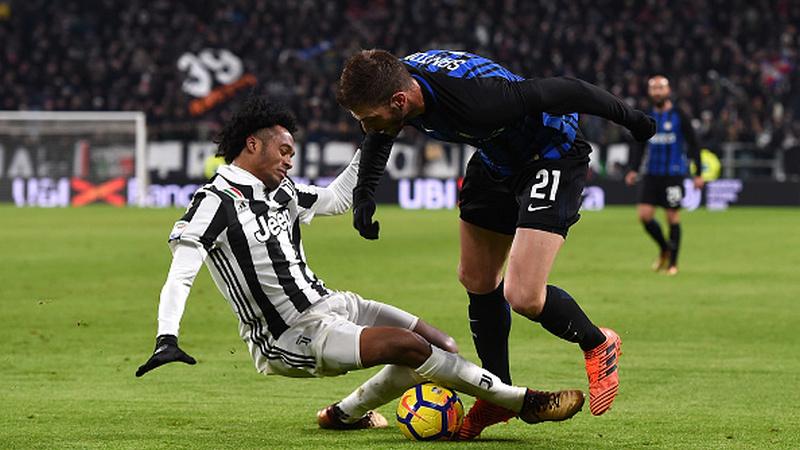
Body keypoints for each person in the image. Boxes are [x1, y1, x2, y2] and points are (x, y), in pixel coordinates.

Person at [134, 97, 586, 433]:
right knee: (408, 348)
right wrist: (167, 335)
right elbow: (183, 268)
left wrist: (377, 134)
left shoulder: (282, 192)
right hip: (289, 335)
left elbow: (338, 196)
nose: (291, 161)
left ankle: (342, 415)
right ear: (252, 145)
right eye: (285, 151)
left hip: (332, 304)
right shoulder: (215, 202)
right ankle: (520, 400)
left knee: (439, 344)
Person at [336, 49, 656, 438]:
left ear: (399, 101)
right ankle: (498, 394)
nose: (368, 127)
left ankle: (598, 342)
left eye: (369, 117)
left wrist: (633, 120)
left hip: (550, 155)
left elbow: (567, 90)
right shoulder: (394, 81)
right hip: (495, 159)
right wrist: (365, 193)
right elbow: (380, 133)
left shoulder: (479, 100)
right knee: (476, 277)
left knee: (523, 295)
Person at [625, 76, 704, 275]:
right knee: (644, 216)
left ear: (668, 90)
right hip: (651, 174)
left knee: (672, 216)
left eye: (661, 88)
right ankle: (664, 248)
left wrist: (698, 173)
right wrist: (634, 169)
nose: (657, 92)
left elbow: (693, 143)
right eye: (653, 88)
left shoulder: (679, 115)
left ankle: (673, 264)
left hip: (673, 175)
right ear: (649, 92)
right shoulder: (647, 115)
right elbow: (639, 144)